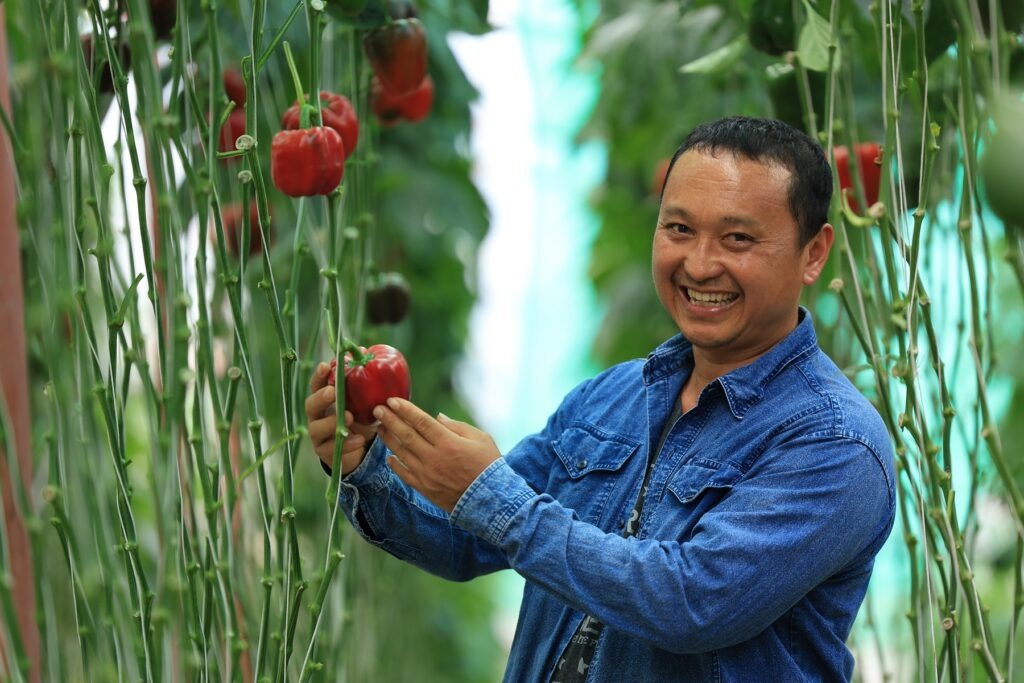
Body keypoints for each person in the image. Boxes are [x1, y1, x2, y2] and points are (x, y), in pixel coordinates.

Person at [305, 115, 895, 682]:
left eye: (737, 238)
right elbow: (466, 538)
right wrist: (364, 467)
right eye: (679, 229)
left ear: (813, 253)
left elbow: (691, 601)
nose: (699, 264)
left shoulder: (834, 443)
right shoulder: (612, 397)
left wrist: (490, 495)